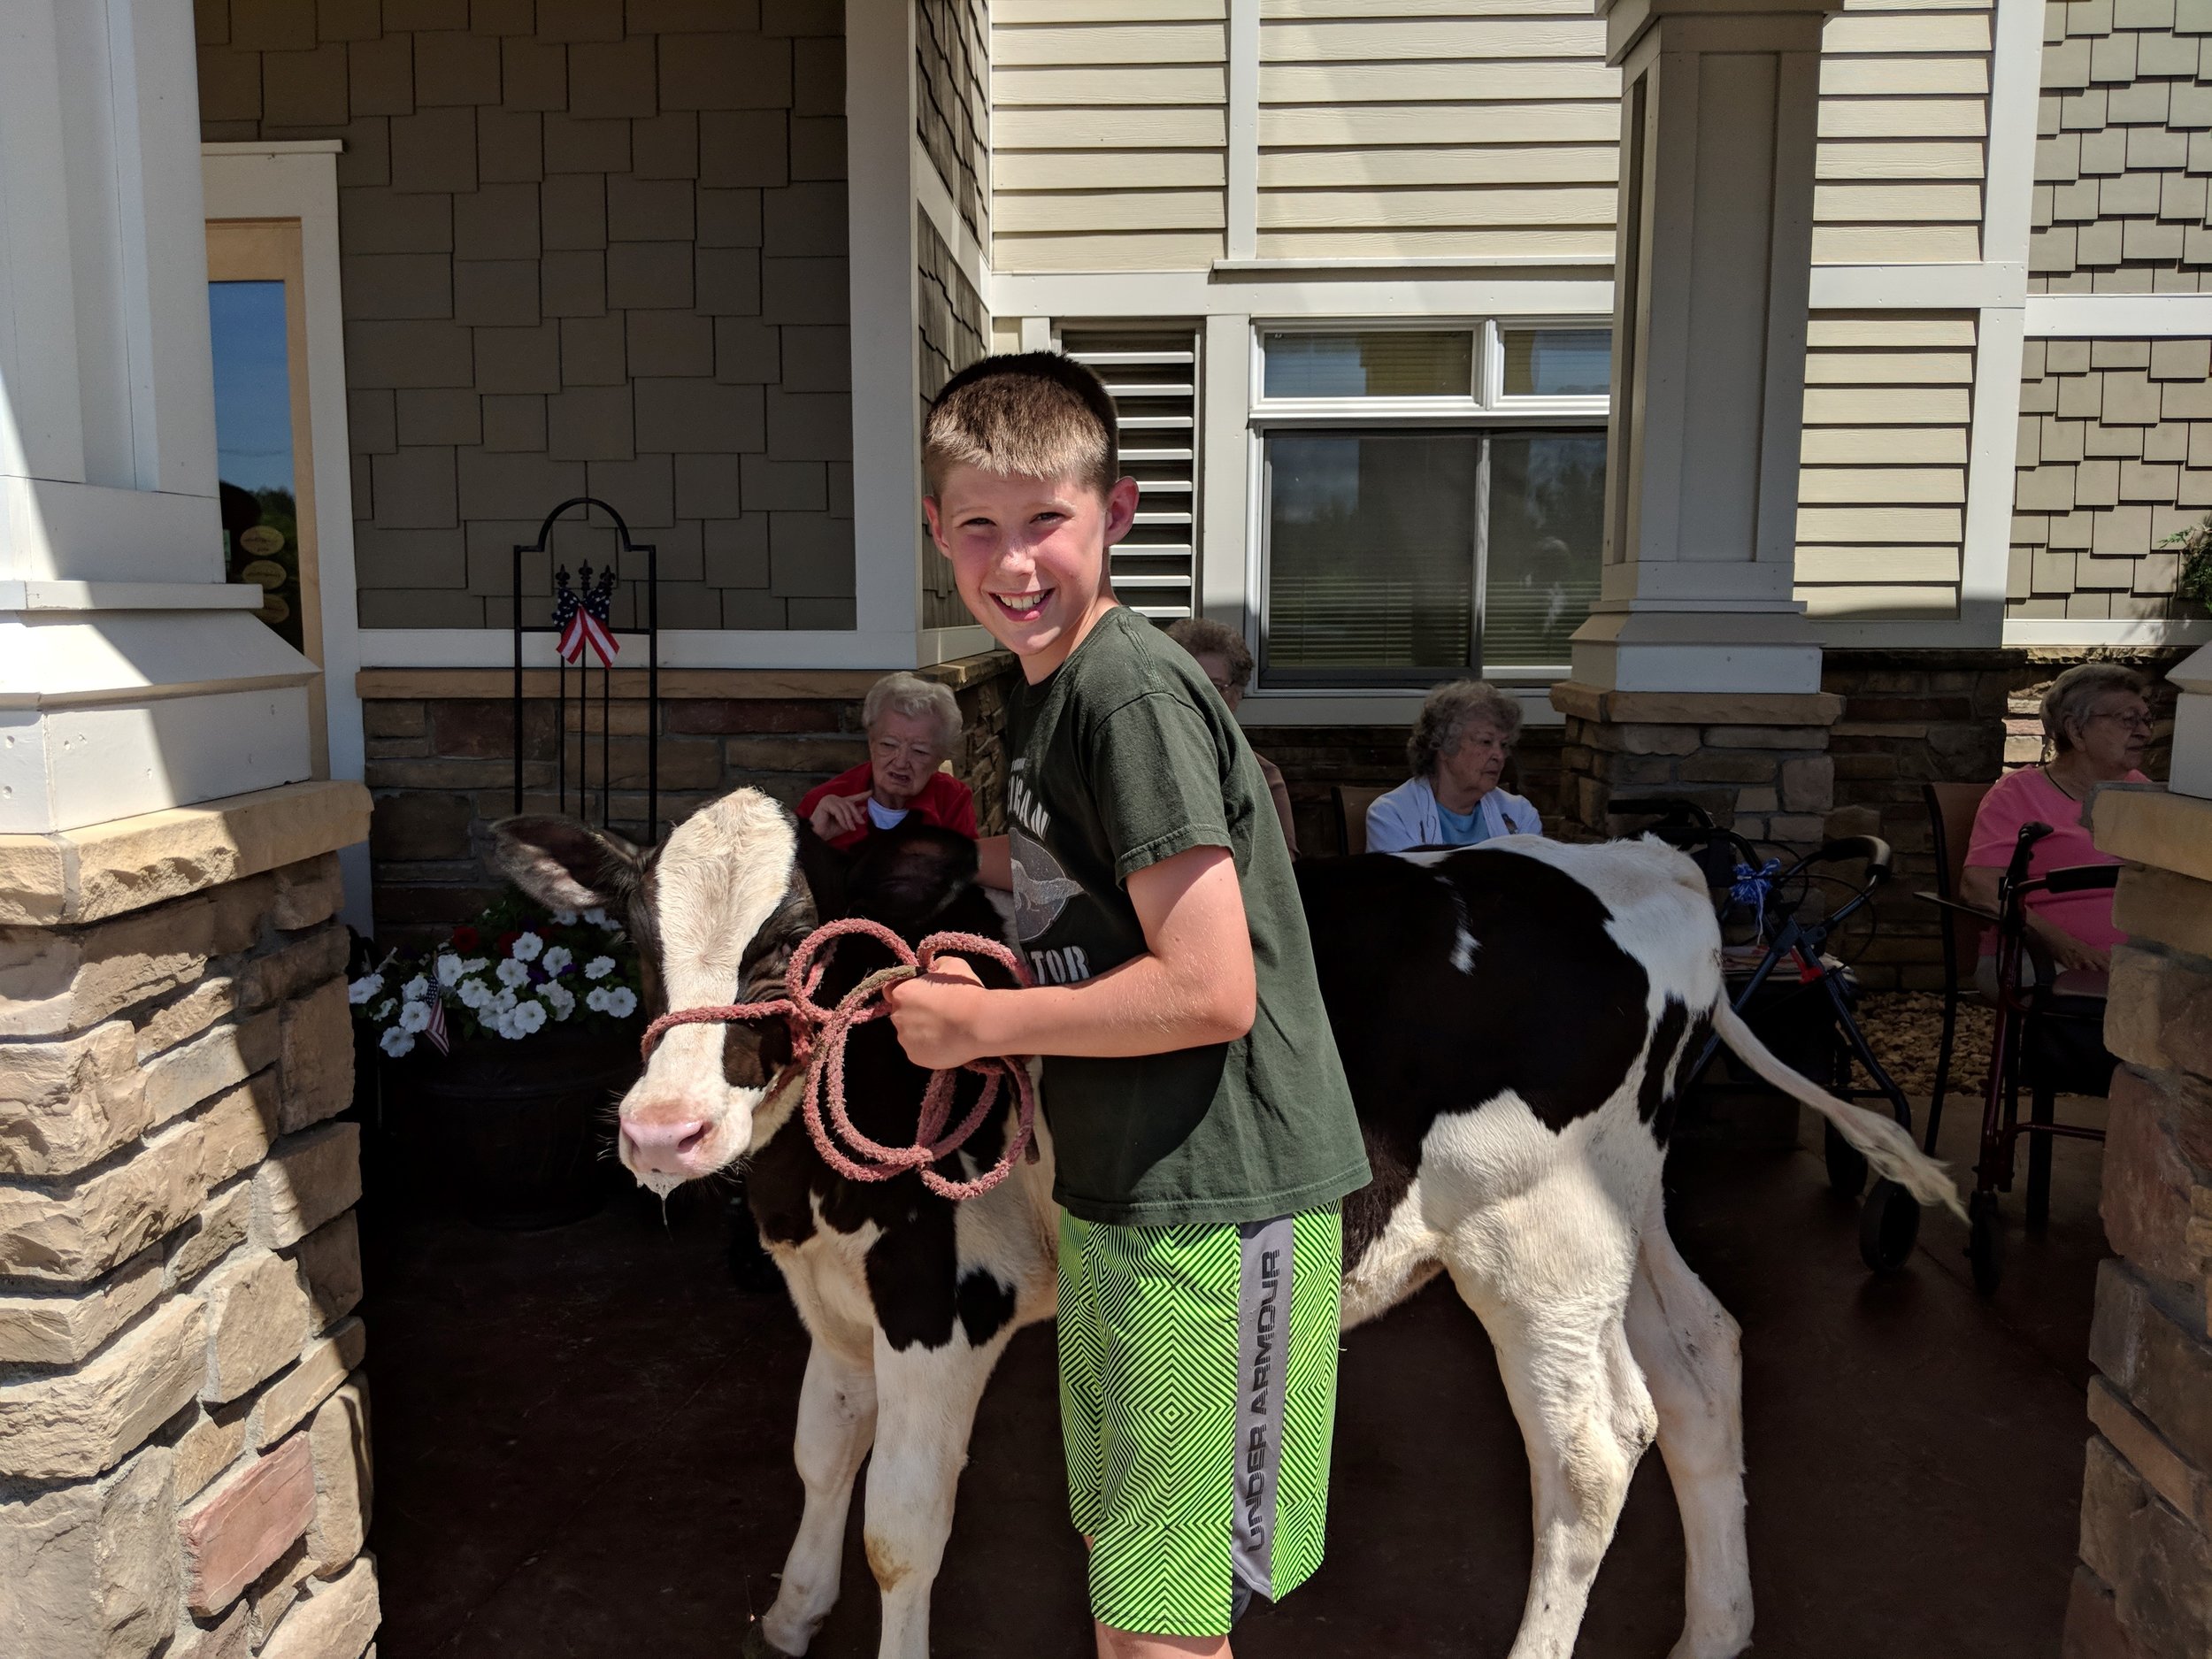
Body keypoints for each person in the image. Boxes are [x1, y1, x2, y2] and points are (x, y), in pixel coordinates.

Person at [885, 352, 1370, 1659]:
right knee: (1129, 1569)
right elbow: (1085, 893)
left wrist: (986, 1027)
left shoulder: (1130, 691)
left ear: (1119, 510)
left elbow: (1211, 987)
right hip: (1119, 1183)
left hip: (1214, 1194)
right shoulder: (1046, 690)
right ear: (936, 529)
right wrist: (969, 931)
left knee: (1166, 1616)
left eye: (1047, 519)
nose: (1015, 559)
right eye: (978, 524)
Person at [1962, 661, 2152, 991]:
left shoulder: (2143, 791)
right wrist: (2063, 945)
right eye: (2128, 720)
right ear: (2076, 731)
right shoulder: (2018, 794)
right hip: (2038, 957)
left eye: (2146, 719)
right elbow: (1979, 886)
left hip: (2139, 959)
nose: (2145, 732)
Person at [1164, 615, 1300, 858]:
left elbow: (1281, 870)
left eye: (1214, 687)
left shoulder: (1263, 777)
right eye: (1188, 683)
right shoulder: (1148, 764)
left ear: (1236, 696)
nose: (1200, 697)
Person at [797, 671, 978, 850]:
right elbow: (781, 875)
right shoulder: (822, 801)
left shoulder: (952, 800)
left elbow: (971, 873)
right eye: (889, 745)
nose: (901, 762)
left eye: (919, 751)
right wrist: (814, 838)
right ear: (871, 743)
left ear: (939, 758)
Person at [1364, 679, 1543, 854]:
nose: (1499, 755)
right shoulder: (1392, 816)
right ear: (1443, 746)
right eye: (1486, 742)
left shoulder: (1520, 815)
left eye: (1503, 745)